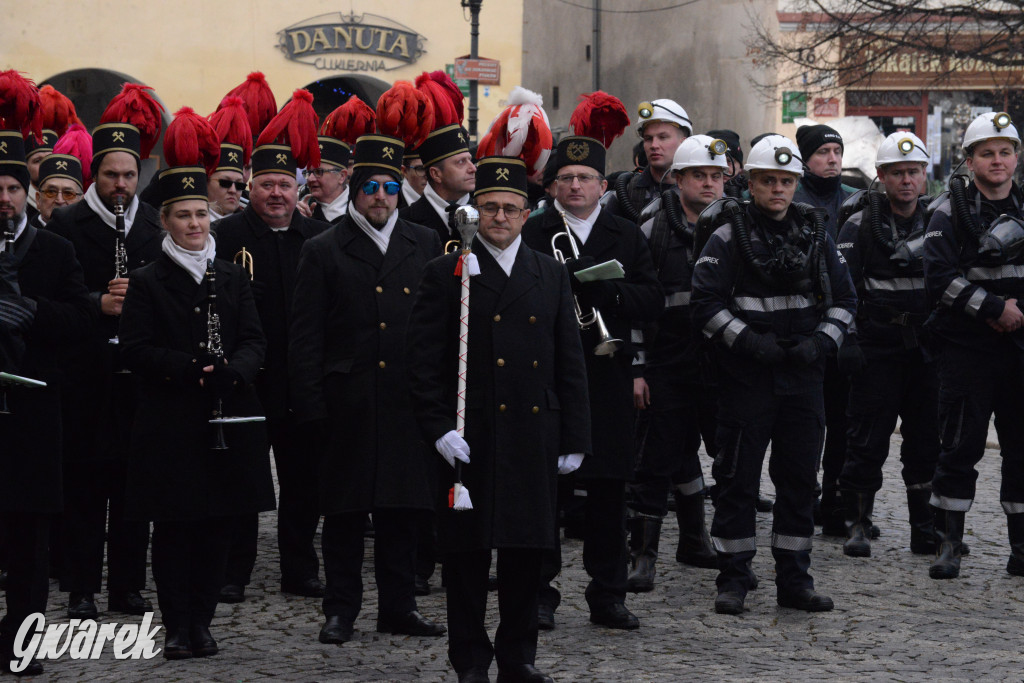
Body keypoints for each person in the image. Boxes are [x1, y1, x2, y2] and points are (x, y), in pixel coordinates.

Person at [408, 155, 591, 683]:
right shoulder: (448, 273)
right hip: (472, 434)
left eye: (511, 208)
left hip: (532, 433)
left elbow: (568, 360)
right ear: (475, 211)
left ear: (528, 214)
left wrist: (574, 433)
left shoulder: (549, 273)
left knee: (525, 555)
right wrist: (438, 427)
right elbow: (422, 361)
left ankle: (518, 657)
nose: (501, 217)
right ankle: (469, 656)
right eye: (490, 207)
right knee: (466, 559)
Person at [119, 114, 275, 658]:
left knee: (217, 526)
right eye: (183, 216)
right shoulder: (146, 279)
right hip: (171, 418)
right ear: (165, 220)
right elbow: (135, 349)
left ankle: (203, 622)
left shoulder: (231, 274)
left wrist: (237, 368)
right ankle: (178, 623)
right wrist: (187, 367)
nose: (194, 224)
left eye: (201, 215)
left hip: (227, 412)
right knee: (176, 528)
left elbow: (256, 338)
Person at [290, 130, 446, 645]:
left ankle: (399, 608)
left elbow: (439, 331)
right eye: (371, 186)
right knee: (345, 515)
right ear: (354, 189)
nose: (381, 196)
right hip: (347, 403)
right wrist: (310, 406)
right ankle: (341, 610)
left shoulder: (423, 243)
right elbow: (306, 336)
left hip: (407, 401)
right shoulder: (323, 249)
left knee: (404, 514)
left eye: (391, 186)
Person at [691, 134, 856, 615]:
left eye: (786, 181)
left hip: (804, 374)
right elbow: (704, 305)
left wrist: (823, 343)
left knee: (800, 479)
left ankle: (794, 579)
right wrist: (749, 342)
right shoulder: (727, 235)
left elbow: (846, 301)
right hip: (747, 377)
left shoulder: (817, 234)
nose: (778, 190)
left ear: (795, 183)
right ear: (751, 183)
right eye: (768, 181)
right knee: (737, 479)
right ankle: (734, 578)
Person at [523, 125, 663, 631]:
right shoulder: (532, 231)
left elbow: (652, 300)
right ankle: (540, 593)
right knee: (545, 494)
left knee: (608, 495)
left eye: (585, 177)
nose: (576, 186)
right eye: (566, 177)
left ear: (603, 186)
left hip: (607, 376)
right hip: (548, 378)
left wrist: (606, 291)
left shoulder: (625, 233)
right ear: (552, 185)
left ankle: (609, 594)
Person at [47, 84, 164, 620]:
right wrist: (99, 303)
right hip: (84, 372)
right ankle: (81, 588)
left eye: (128, 175)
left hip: (137, 375)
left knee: (134, 488)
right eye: (111, 174)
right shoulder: (68, 223)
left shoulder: (151, 224)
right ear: (95, 173)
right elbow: (53, 297)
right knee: (85, 488)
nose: (121, 184)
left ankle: (127, 586)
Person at [214, 91, 330, 603]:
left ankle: (300, 568)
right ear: (249, 189)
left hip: (302, 378)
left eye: (286, 184)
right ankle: (232, 570)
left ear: (298, 187)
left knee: (305, 482)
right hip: (247, 380)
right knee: (241, 480)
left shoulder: (320, 238)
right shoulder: (224, 237)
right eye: (266, 185)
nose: (277, 193)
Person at [0, 104, 93, 677]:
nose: (4, 197)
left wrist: (28, 312)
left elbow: (81, 322)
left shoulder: (56, 250)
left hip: (33, 411)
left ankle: (24, 640)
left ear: (26, 193)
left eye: (12, 187)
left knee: (28, 539)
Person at [922, 111, 1024, 580]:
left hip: (1019, 347)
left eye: (1005, 152)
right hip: (967, 349)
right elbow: (938, 279)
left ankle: (1020, 546)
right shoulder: (949, 210)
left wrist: (1017, 311)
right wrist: (993, 309)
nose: (998, 160)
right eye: (988, 153)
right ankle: (949, 543)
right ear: (970, 159)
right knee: (960, 445)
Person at [626, 135, 727, 592]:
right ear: (679, 179)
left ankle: (701, 542)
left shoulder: (738, 224)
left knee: (721, 458)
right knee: (659, 456)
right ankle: (643, 555)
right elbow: (636, 304)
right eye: (699, 176)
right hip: (668, 360)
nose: (709, 184)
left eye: (716, 176)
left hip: (721, 360)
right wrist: (638, 369)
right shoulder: (651, 227)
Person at [836, 132, 941, 558]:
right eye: (897, 173)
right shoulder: (859, 225)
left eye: (913, 172)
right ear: (880, 176)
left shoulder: (941, 221)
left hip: (926, 348)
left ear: (924, 174)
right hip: (876, 347)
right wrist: (850, 340)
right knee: (867, 438)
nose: (906, 180)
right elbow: (843, 287)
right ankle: (857, 524)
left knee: (927, 441)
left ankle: (925, 529)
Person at [793, 123, 860, 537]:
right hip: (803, 331)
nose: (832, 159)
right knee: (805, 424)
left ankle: (837, 501)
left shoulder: (855, 200)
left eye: (837, 150)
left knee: (844, 422)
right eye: (823, 152)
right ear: (806, 158)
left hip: (847, 330)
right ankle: (802, 498)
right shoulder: (791, 199)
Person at [604, 99, 691, 223]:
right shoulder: (627, 193)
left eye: (663, 137)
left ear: (684, 142)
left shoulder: (700, 189)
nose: (654, 145)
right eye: (648, 138)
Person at [399, 123, 476, 247]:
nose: (473, 168)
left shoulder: (489, 217)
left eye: (470, 160)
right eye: (461, 162)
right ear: (436, 174)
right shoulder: (402, 222)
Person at [305, 135, 350, 224]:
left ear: (341, 176)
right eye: (308, 173)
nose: (310, 179)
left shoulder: (361, 209)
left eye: (318, 172)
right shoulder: (302, 207)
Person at [31, 153, 84, 228]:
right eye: (51, 192)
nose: (60, 201)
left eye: (68, 194)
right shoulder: (22, 238)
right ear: (38, 199)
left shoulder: (90, 238)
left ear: (81, 201)